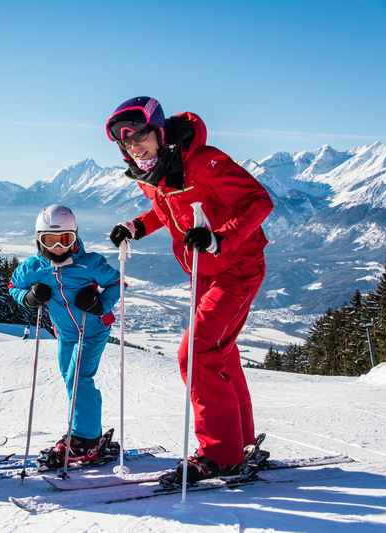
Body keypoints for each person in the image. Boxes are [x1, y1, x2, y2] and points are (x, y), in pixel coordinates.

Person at [104, 96, 274, 484]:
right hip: (205, 271)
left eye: (140, 134)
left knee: (195, 354)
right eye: (125, 141)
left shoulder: (203, 161)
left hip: (237, 267)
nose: (133, 145)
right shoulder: (153, 173)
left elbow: (259, 202)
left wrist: (221, 238)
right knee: (219, 352)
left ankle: (220, 454)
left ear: (160, 131)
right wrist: (137, 227)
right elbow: (167, 211)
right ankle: (241, 442)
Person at [9, 204, 121, 468]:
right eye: (50, 240)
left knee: (78, 377)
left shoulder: (90, 263)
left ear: (75, 236)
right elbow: (14, 285)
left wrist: (99, 303)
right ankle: (82, 430)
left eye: (65, 239)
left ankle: (86, 437)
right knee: (71, 380)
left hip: (93, 331)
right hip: (67, 335)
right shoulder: (35, 267)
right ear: (39, 239)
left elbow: (117, 282)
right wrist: (29, 297)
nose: (58, 246)